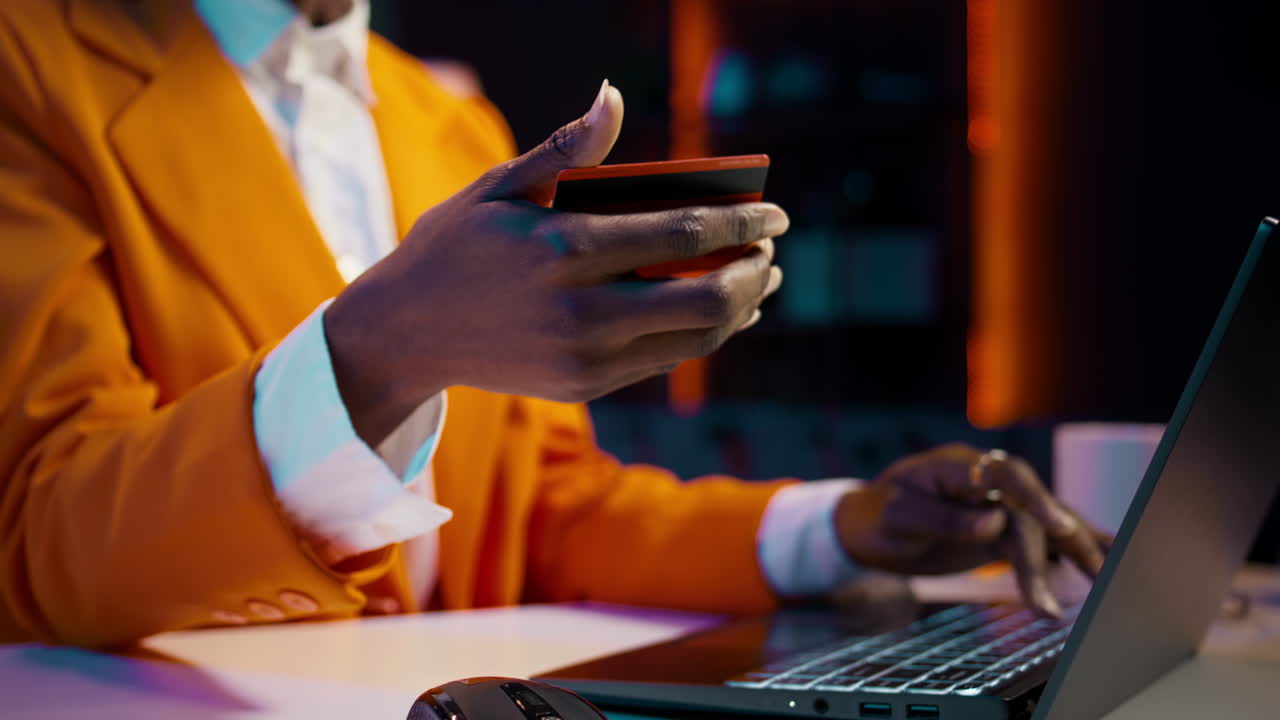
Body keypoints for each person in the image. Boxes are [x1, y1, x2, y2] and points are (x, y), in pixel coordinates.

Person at [0, 0, 1106, 649]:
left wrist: (841, 526)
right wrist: (380, 352)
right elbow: (41, 534)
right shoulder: (31, 61)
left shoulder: (448, 121)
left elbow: (547, 516)